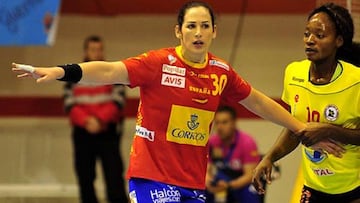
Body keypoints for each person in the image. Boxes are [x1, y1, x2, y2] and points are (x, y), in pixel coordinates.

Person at [12, 1, 337, 202]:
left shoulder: (221, 71)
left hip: (192, 182)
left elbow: (259, 103)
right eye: (191, 26)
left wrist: (303, 128)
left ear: (214, 32)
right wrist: (58, 71)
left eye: (205, 26)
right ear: (178, 31)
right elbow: (109, 70)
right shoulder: (157, 63)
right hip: (151, 177)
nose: (198, 32)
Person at [252, 3, 360, 203]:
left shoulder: (356, 81)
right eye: (307, 34)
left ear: (338, 41)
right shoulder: (293, 73)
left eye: (319, 36)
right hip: (314, 188)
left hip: (354, 189)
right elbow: (294, 128)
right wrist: (270, 157)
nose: (310, 40)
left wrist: (329, 130)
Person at [63, 35, 128, 203]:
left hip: (107, 132)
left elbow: (118, 101)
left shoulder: (114, 74)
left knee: (114, 176)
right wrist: (87, 121)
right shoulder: (72, 77)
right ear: (86, 52)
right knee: (85, 177)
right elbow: (69, 105)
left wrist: (99, 121)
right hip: (83, 133)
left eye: (99, 49)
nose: (97, 53)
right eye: (93, 50)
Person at [205, 106, 261, 203]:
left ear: (234, 123)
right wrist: (209, 183)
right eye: (217, 122)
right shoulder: (212, 142)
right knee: (199, 191)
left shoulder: (247, 142)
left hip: (241, 181)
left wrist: (229, 186)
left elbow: (249, 175)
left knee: (251, 192)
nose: (219, 127)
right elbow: (205, 169)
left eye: (224, 122)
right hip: (221, 178)